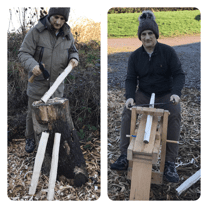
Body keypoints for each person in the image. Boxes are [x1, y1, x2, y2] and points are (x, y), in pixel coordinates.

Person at [110, 10, 185, 183]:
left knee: (174, 114)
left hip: (165, 95)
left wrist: (175, 93)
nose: (147, 37)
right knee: (127, 111)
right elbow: (130, 79)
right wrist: (130, 96)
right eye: (143, 34)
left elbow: (179, 74)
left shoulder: (168, 52)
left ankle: (169, 164)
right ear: (140, 37)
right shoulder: (135, 56)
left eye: (150, 33)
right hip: (143, 94)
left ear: (156, 34)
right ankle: (124, 156)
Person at [18, 7, 79, 153]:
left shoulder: (67, 33)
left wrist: (74, 59)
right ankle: (30, 138)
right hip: (38, 82)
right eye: (55, 17)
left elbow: (73, 50)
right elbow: (23, 53)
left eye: (62, 18)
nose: (58, 21)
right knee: (33, 112)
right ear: (50, 15)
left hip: (57, 84)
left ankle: (53, 142)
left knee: (55, 114)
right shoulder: (37, 32)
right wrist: (33, 66)